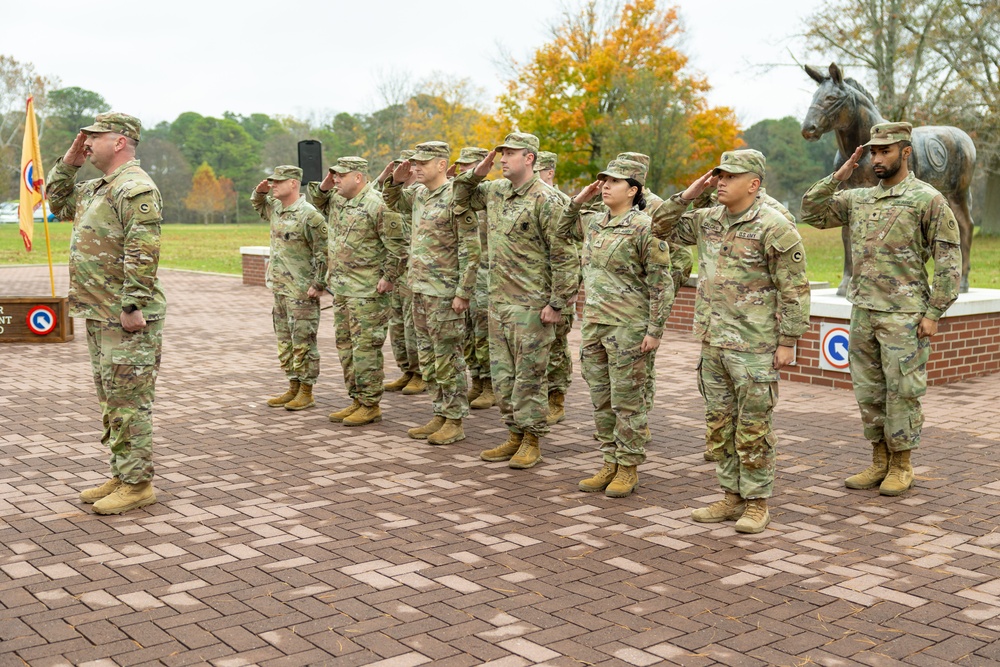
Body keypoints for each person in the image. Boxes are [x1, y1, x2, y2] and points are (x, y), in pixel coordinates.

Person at [652, 149, 810, 533]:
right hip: (713, 342)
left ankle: (757, 502)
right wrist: (688, 195)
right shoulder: (707, 220)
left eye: (730, 176)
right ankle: (730, 496)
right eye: (718, 175)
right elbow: (659, 227)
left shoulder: (774, 227)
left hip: (754, 347)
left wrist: (788, 340)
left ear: (753, 184)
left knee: (753, 428)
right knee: (719, 425)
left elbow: (795, 290)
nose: (720, 181)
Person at [800, 122, 961, 496]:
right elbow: (811, 211)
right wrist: (839, 175)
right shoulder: (859, 199)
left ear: (905, 152)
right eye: (873, 151)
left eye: (885, 151)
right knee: (869, 391)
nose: (877, 158)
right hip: (864, 311)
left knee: (902, 390)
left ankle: (902, 465)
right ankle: (879, 461)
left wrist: (934, 313)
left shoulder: (927, 199)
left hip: (905, 316)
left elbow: (949, 263)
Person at [48, 112, 165, 515]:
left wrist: (133, 304)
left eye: (95, 137)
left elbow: (143, 249)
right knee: (112, 400)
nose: (87, 141)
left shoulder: (134, 186)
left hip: (123, 315)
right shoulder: (98, 186)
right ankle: (122, 471)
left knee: (129, 402)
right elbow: (56, 202)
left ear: (119, 142)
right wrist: (70, 161)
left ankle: (138, 484)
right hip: (99, 313)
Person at [452, 132, 577, 469]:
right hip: (499, 304)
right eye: (501, 153)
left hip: (532, 308)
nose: (503, 159)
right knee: (503, 377)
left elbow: (565, 256)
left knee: (529, 377)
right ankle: (514, 434)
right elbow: (460, 195)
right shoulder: (495, 192)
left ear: (530, 158)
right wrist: (480, 169)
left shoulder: (548, 200)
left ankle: (532, 439)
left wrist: (558, 303)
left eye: (510, 153)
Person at [557, 158, 674, 497]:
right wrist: (580, 199)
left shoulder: (645, 226)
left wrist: (654, 330)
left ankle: (628, 467)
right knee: (601, 399)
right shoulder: (594, 223)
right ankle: (608, 460)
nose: (605, 186)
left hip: (628, 328)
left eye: (615, 181)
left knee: (628, 402)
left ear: (633, 190)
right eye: (603, 180)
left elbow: (660, 283)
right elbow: (561, 228)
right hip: (594, 325)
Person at [383, 141, 481, 445]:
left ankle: (455, 420)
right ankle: (439, 413)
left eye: (422, 163)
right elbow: (391, 200)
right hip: (419, 289)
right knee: (427, 358)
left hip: (444, 292)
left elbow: (471, 248)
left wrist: (463, 291)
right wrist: (396, 180)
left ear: (442, 164)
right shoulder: (419, 194)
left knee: (447, 359)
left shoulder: (456, 196)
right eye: (414, 163)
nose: (416, 168)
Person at [310, 156, 407, 426]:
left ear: (359, 177)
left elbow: (399, 248)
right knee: (346, 348)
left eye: (341, 175)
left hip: (367, 292)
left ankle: (370, 403)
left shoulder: (379, 205)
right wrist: (326, 185)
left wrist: (388, 277)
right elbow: (318, 201)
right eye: (335, 175)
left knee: (366, 349)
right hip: (342, 289)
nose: (336, 180)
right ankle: (356, 399)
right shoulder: (338, 200)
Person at [252, 165, 328, 411]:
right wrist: (259, 191)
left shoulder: (310, 215)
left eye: (278, 181)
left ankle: (307, 391)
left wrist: (318, 284)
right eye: (272, 181)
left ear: (294, 183)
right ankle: (293, 386)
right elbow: (257, 204)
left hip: (301, 291)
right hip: (280, 288)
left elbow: (325, 252)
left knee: (303, 341)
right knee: (284, 341)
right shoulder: (275, 208)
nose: (273, 185)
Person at [535, 151, 578, 426]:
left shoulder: (561, 203)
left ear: (550, 172)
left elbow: (570, 254)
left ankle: (556, 398)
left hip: (558, 290)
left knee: (557, 347)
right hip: (535, 291)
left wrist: (561, 297)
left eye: (539, 170)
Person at [379, 150, 425, 395]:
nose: (408, 170)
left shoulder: (419, 195)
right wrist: (388, 174)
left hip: (413, 271)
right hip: (394, 270)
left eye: (413, 166)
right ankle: (406, 369)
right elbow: (377, 191)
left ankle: (420, 373)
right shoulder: (393, 196)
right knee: (396, 324)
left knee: (412, 325)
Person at [453, 147, 494, 408]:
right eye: (460, 166)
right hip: (464, 274)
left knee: (483, 333)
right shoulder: (460, 198)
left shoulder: (489, 197)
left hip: (486, 276)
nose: (461, 171)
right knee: (467, 333)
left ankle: (489, 385)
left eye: (467, 165)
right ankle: (476, 381)